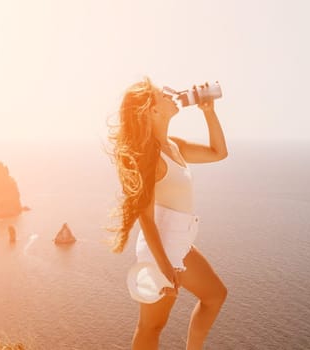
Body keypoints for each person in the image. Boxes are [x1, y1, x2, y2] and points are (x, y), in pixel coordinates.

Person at [109, 76, 228, 350]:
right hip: (160, 248)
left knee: (215, 296)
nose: (172, 95)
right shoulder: (147, 154)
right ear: (152, 110)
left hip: (179, 241)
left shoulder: (173, 145)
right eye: (163, 94)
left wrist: (209, 112)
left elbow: (219, 152)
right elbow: (145, 217)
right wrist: (164, 265)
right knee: (151, 327)